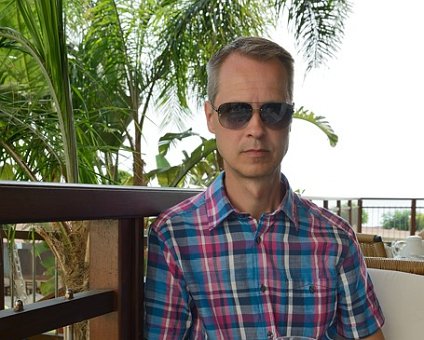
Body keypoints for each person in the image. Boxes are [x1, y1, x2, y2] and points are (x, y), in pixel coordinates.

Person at [144, 36, 385, 339]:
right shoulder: (173, 237)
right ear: (210, 117)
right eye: (235, 111)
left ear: (289, 119)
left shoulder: (335, 237)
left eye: (273, 111)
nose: (256, 129)